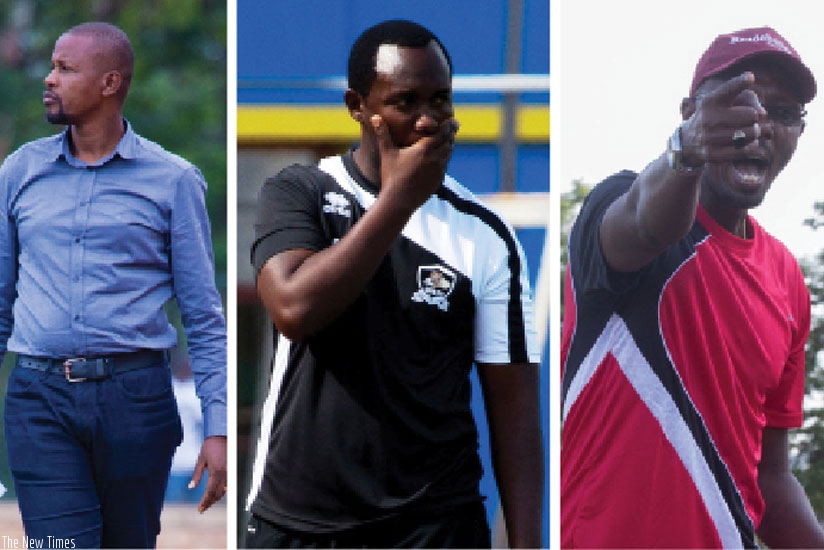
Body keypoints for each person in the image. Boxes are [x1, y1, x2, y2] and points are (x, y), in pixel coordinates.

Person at [246, 19, 543, 549]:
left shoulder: (487, 235)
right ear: (359, 106)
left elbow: (515, 414)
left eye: (441, 101)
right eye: (406, 102)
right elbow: (293, 309)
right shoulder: (300, 193)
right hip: (299, 525)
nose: (429, 121)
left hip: (436, 527)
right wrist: (399, 201)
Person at [561, 26, 824, 548]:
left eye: (784, 111)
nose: (761, 124)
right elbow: (643, 223)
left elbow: (769, 478)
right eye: (741, 103)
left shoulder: (787, 279)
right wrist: (686, 152)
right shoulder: (618, 203)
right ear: (690, 114)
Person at [0, 22, 227, 548]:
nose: (50, 79)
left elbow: (203, 316)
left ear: (109, 83)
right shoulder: (20, 171)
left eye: (65, 69)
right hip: (39, 398)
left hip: (136, 402)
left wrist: (216, 428)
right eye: (52, 66)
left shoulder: (173, 180)